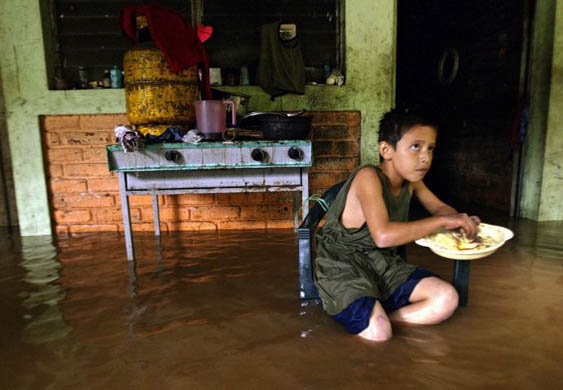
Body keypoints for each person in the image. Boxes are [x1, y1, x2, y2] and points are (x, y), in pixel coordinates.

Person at [314, 108, 480, 342]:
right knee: (380, 335)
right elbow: (383, 236)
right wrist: (443, 221)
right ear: (386, 150)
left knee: (446, 298)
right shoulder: (368, 177)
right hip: (343, 262)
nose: (425, 157)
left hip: (382, 261)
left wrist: (461, 219)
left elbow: (440, 209)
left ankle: (380, 317)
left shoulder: (412, 182)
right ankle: (375, 319)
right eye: (416, 147)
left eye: (430, 148)